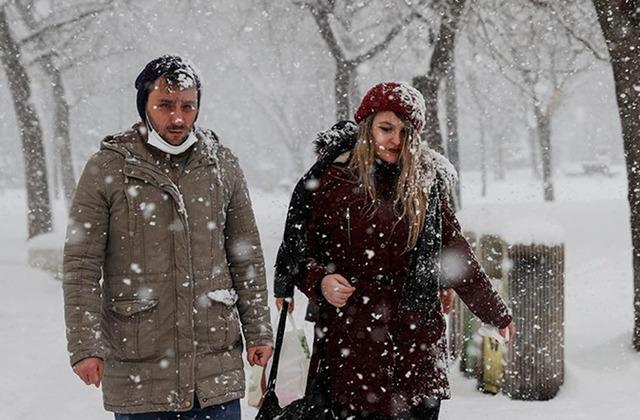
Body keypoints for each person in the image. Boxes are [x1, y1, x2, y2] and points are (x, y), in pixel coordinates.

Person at [274, 82, 515, 420]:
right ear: (367, 126)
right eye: (386, 128)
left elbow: (456, 253)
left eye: (405, 132)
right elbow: (297, 253)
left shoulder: (427, 184)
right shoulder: (333, 182)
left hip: (416, 353)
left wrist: (494, 312)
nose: (395, 140)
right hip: (352, 351)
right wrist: (321, 282)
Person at [63, 55, 273, 420]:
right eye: (165, 105)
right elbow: (81, 264)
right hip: (139, 368)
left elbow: (245, 255)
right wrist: (84, 345)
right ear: (144, 105)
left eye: (187, 106)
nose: (178, 118)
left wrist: (258, 331)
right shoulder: (108, 168)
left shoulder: (221, 165)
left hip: (213, 372)